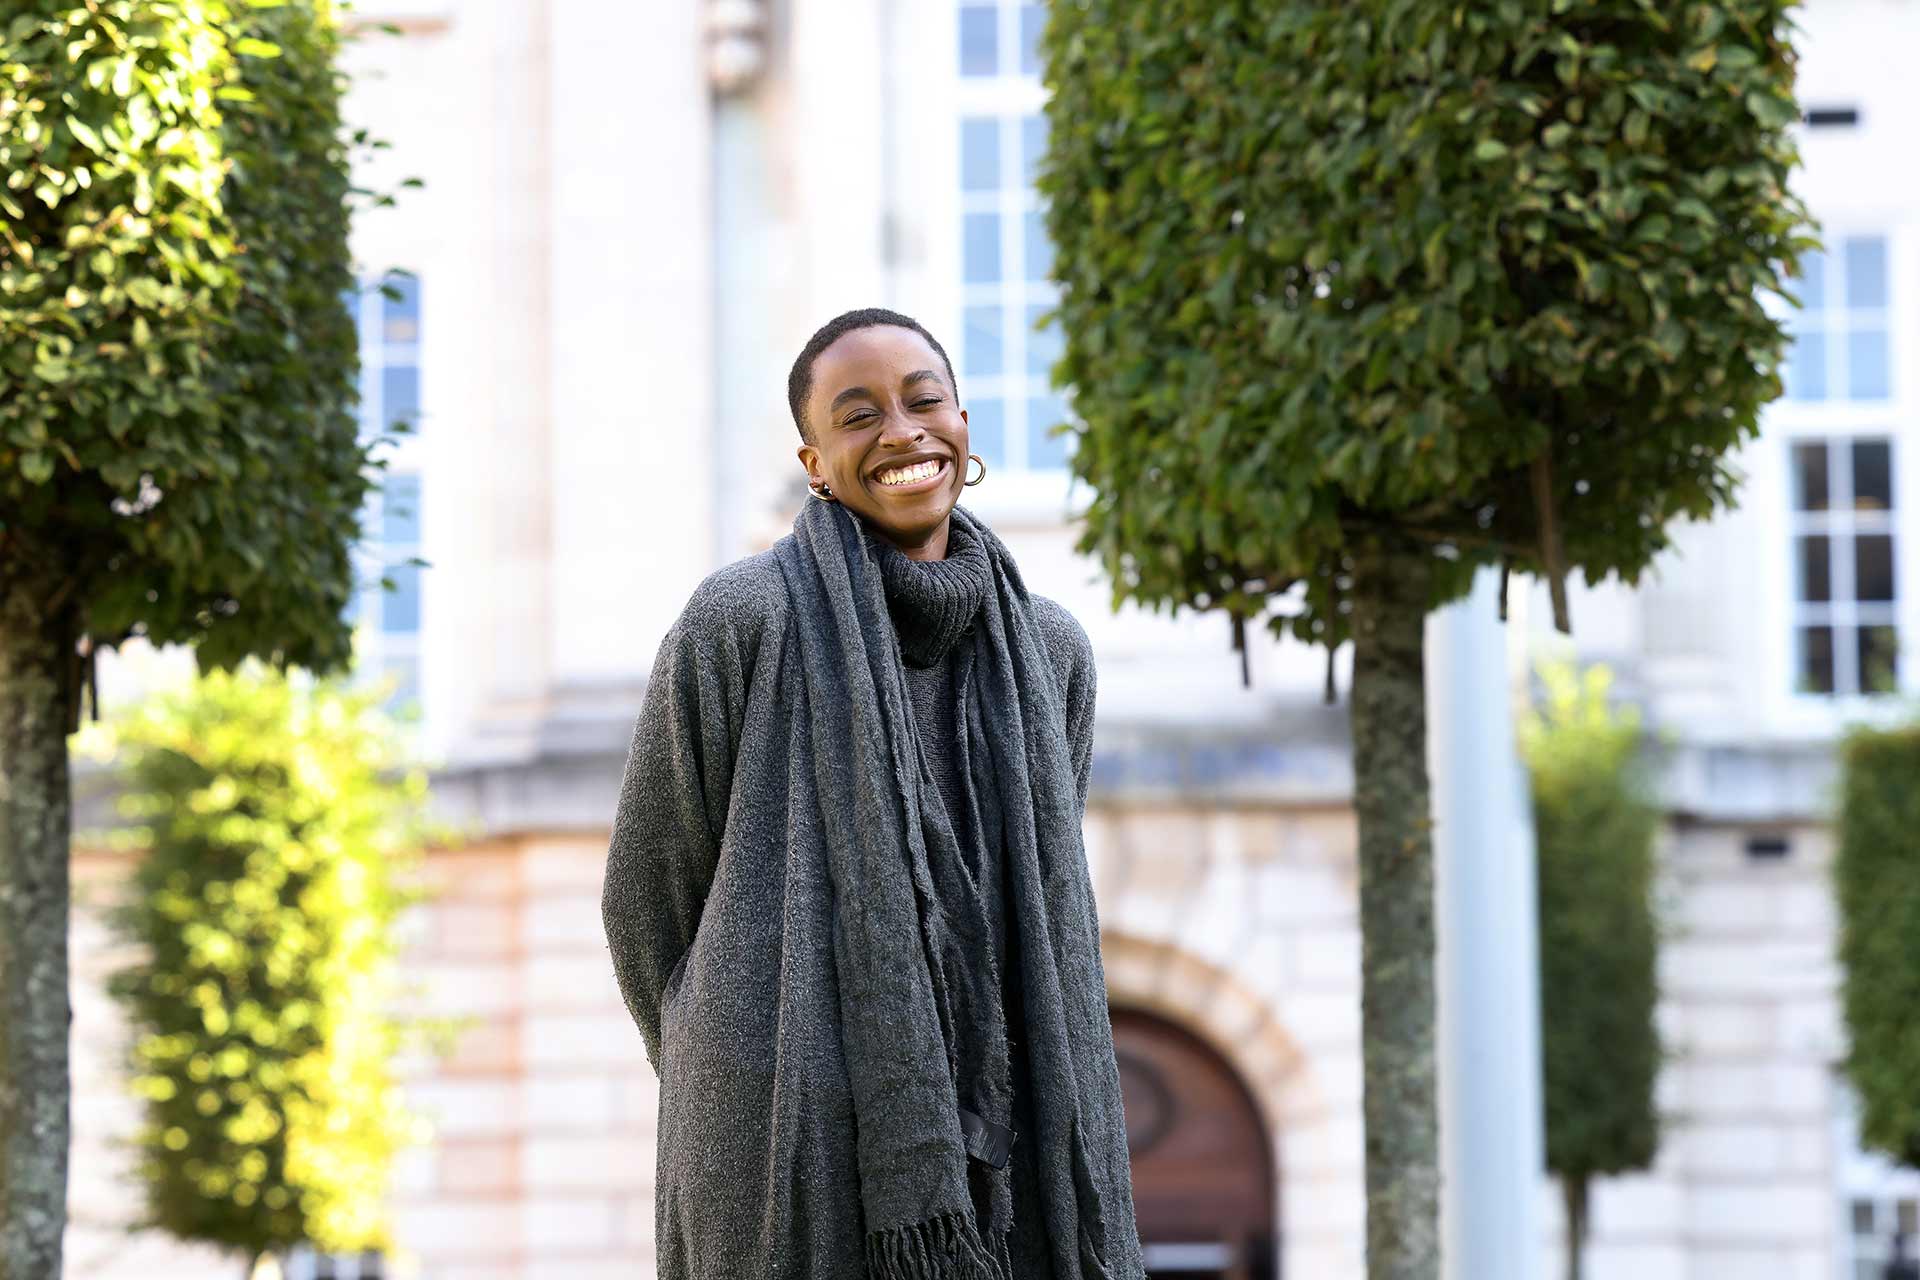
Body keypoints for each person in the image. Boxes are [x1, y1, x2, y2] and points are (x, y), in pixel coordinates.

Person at [601, 307, 1146, 1279]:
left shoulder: (1051, 651)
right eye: (858, 415)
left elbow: (1043, 896)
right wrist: (738, 1066)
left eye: (923, 400)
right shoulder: (741, 620)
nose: (901, 431)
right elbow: (647, 901)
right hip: (781, 1148)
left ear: (965, 424)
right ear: (814, 460)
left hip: (1011, 1134)